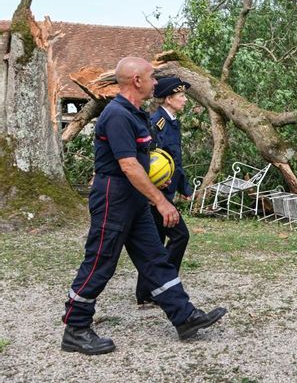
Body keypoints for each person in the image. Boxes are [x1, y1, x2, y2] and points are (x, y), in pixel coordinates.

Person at [61, 57, 226, 355]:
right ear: (137, 80)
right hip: (115, 195)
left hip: (133, 197)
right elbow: (128, 166)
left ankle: (183, 316)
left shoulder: (135, 113)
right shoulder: (117, 115)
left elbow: (142, 163)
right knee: (101, 260)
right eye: (151, 78)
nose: (155, 83)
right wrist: (161, 202)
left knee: (154, 257)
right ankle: (76, 328)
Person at [135, 76, 193, 306]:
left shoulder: (171, 121)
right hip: (155, 195)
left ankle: (145, 293)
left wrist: (184, 186)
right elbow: (152, 160)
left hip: (166, 192)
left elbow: (174, 161)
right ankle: (163, 286)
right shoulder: (156, 122)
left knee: (156, 243)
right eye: (181, 96)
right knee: (180, 236)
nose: (185, 100)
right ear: (169, 99)